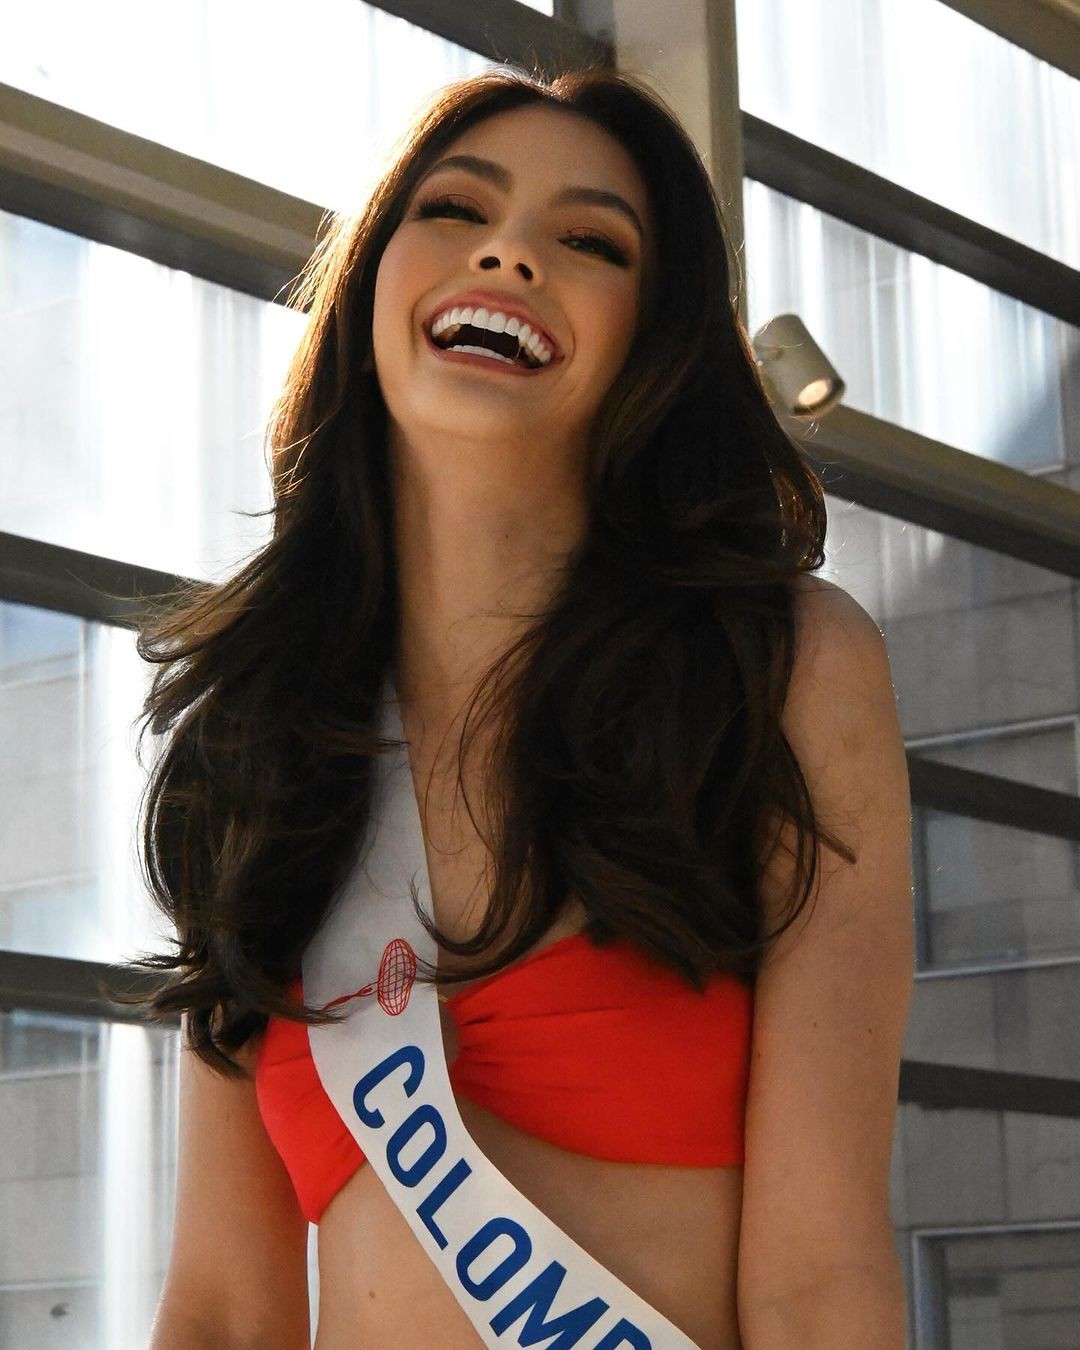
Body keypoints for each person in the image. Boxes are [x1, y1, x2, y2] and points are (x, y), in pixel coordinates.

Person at [124, 60, 914, 1350]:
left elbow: (819, 1283)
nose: (508, 253)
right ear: (369, 287)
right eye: (456, 210)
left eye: (589, 241)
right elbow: (220, 1310)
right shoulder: (262, 735)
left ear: (654, 340)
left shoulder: (775, 671)